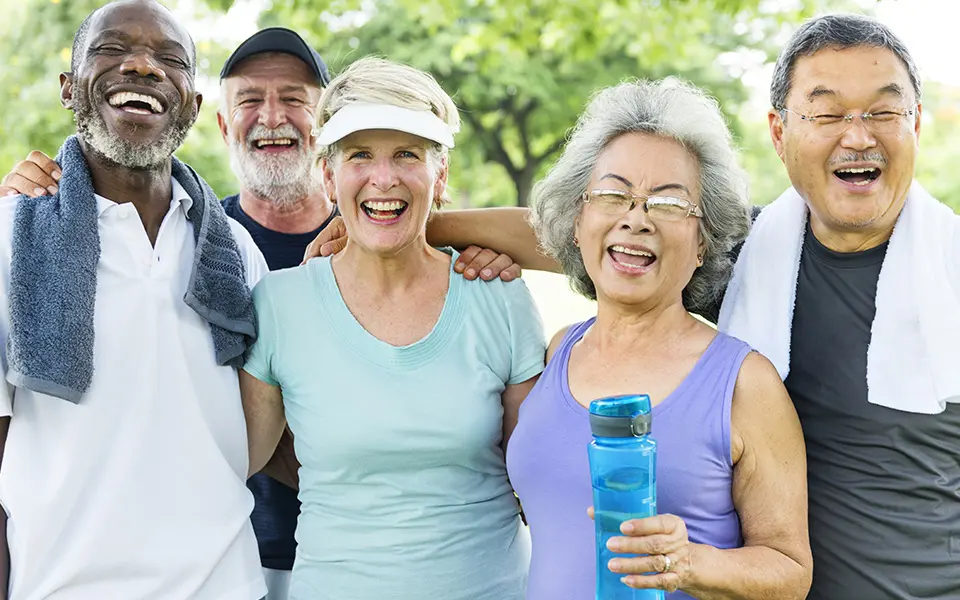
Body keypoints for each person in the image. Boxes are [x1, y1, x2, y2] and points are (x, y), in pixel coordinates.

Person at [305, 13, 960, 600]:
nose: (856, 135)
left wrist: (694, 562)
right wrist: (402, 230)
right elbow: (580, 233)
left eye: (881, 111)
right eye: (826, 112)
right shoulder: (755, 264)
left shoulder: (755, 356)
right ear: (781, 131)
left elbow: (785, 564)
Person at [0, 27, 522, 600]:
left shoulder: (226, 251)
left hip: (237, 576)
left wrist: (414, 229)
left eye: (294, 99)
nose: (272, 117)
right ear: (222, 122)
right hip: (244, 565)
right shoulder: (234, 256)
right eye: (250, 100)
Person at [239, 56, 545, 600]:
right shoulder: (279, 306)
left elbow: (538, 481)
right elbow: (233, 458)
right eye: (361, 155)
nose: (385, 178)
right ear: (329, 176)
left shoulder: (499, 297)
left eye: (408, 154)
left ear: (441, 174)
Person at [0, 1, 270, 599]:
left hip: (226, 585)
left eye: (170, 59)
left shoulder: (237, 251)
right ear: (69, 89)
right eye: (111, 49)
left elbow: (267, 425)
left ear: (194, 107)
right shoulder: (10, 235)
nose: (144, 66)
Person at [507, 78, 811, 599]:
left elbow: (790, 572)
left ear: (702, 244)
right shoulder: (558, 351)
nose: (635, 219)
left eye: (668, 205)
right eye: (612, 194)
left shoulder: (743, 383)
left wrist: (689, 562)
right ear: (578, 223)